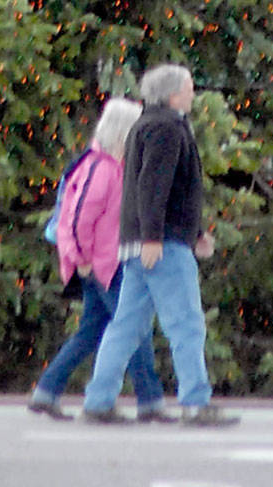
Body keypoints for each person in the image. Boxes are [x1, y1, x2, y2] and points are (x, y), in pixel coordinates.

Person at [80, 64, 239, 428]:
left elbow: (162, 189)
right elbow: (154, 186)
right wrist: (154, 236)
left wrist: (194, 232)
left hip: (142, 243)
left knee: (126, 326)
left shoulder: (147, 125)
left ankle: (98, 401)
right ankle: (196, 403)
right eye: (188, 86)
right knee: (186, 324)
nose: (193, 92)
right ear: (172, 94)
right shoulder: (167, 129)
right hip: (162, 245)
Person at [28, 97, 171, 422]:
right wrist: (81, 259)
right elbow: (78, 219)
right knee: (134, 329)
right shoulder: (100, 169)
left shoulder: (113, 167)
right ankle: (149, 402)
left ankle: (46, 391)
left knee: (91, 331)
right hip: (103, 266)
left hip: (105, 263)